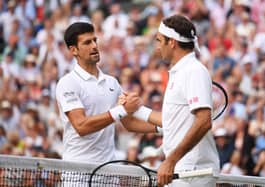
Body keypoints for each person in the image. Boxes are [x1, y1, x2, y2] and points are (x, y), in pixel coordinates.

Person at [122, 14, 220, 186]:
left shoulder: (194, 70)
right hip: (183, 172)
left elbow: (204, 121)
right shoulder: (180, 72)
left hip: (193, 173)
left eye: (159, 41)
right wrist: (136, 108)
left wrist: (171, 160)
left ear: (172, 42)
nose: (157, 47)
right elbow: (170, 120)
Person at [55, 22, 156, 165]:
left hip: (108, 168)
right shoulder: (67, 83)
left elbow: (129, 123)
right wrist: (121, 110)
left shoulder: (112, 83)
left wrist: (164, 129)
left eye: (94, 40)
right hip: (77, 170)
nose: (94, 46)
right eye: (87, 43)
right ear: (74, 50)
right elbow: (81, 126)